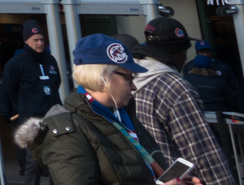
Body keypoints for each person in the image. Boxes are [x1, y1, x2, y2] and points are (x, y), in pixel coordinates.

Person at [20, 34, 180, 185]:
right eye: (128, 77)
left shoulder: (123, 114)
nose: (133, 86)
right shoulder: (67, 131)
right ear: (102, 78)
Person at [132, 17, 236, 185]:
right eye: (185, 51)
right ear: (175, 52)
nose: (185, 57)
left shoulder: (129, 81)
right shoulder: (174, 88)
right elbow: (201, 151)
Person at [1, 19, 65, 185]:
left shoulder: (50, 60)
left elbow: (56, 82)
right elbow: (9, 89)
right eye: (35, 40)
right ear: (26, 41)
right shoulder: (16, 63)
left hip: (53, 116)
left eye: (41, 39)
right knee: (34, 161)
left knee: (56, 158)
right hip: (31, 119)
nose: (39, 43)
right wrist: (25, 105)